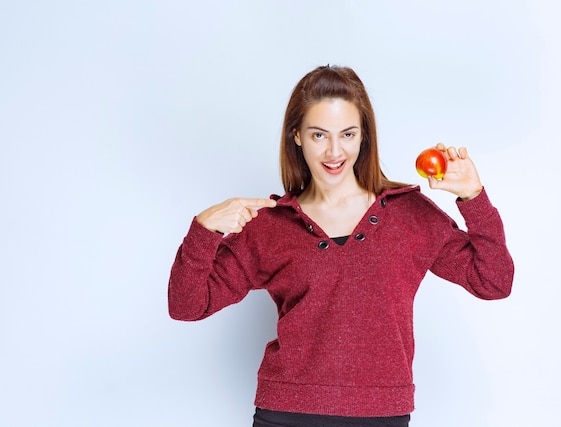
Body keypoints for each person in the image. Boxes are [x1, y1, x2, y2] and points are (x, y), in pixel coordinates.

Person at [168, 65, 514, 426]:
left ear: (364, 135)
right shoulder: (270, 225)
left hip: (381, 414)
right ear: (297, 136)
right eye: (319, 135)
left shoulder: (409, 215)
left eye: (347, 134)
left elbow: (494, 282)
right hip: (286, 413)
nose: (335, 151)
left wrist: (474, 197)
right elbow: (187, 305)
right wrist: (203, 231)